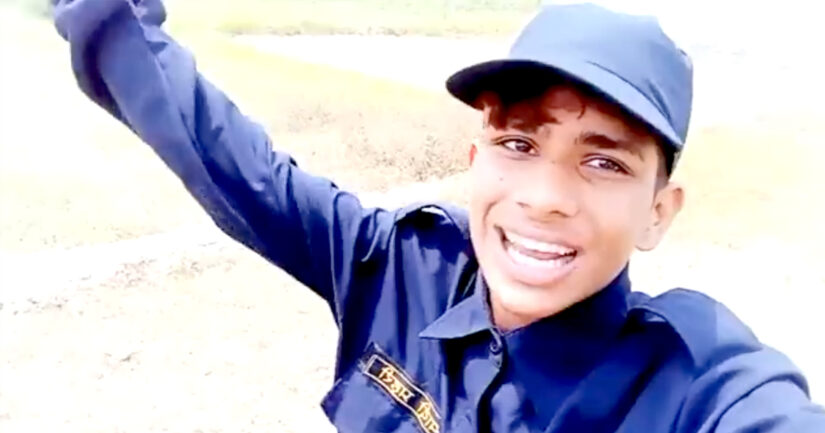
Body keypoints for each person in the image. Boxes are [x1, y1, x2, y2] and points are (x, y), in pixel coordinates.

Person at [53, 0, 824, 432]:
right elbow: (222, 155)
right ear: (474, 158)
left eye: (603, 162)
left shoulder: (694, 384)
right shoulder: (394, 267)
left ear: (658, 213)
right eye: (518, 142)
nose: (544, 195)